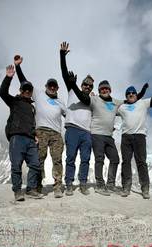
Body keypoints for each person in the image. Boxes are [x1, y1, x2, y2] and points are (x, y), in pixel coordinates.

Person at [66, 74, 148, 196]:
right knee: (99, 159)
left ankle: (110, 184)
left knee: (115, 159)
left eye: (106, 88)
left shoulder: (116, 102)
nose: (104, 90)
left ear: (110, 90)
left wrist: (142, 92)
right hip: (96, 134)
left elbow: (131, 100)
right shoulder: (94, 100)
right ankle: (100, 185)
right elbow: (82, 96)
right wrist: (73, 84)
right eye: (102, 89)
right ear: (99, 91)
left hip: (109, 136)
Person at [14, 55, 67, 198]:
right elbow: (24, 81)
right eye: (49, 85)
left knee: (57, 159)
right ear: (46, 87)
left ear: (57, 88)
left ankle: (57, 186)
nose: (51, 87)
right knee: (39, 159)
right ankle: (37, 186)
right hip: (41, 131)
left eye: (54, 86)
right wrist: (18, 66)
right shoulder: (38, 93)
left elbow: (69, 115)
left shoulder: (61, 102)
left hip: (56, 133)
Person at [0, 64, 42, 201]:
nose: (27, 91)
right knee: (16, 165)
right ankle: (17, 191)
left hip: (30, 139)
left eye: (29, 90)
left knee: (35, 164)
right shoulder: (14, 101)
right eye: (25, 89)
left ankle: (31, 189)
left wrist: (35, 134)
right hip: (16, 138)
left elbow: (32, 123)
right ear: (21, 90)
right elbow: (2, 93)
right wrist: (8, 77)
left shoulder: (32, 107)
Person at [60, 42, 94, 196]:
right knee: (71, 157)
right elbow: (64, 73)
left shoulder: (91, 99)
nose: (87, 87)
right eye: (85, 84)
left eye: (90, 86)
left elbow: (85, 100)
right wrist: (62, 55)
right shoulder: (72, 90)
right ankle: (68, 183)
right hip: (72, 128)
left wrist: (74, 85)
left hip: (86, 132)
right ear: (82, 84)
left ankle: (83, 183)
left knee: (85, 159)